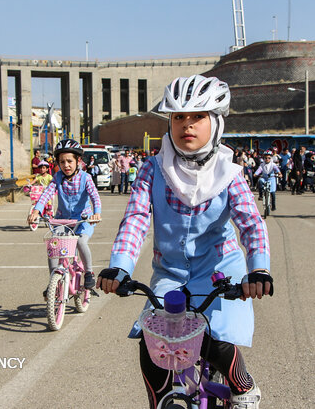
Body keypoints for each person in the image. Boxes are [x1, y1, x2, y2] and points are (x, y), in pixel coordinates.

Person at [97, 75, 272, 409]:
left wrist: (259, 269)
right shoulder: (153, 169)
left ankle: (244, 387)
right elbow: (135, 220)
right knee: (153, 342)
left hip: (220, 269)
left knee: (214, 338)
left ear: (216, 122)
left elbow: (251, 223)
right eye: (179, 117)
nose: (187, 125)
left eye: (198, 116)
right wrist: (118, 267)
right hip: (171, 272)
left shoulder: (229, 173)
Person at [28, 139, 102, 289]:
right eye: (62, 162)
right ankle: (53, 282)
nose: (66, 165)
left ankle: (89, 272)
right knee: (54, 244)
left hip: (83, 220)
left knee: (81, 242)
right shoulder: (57, 178)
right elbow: (46, 194)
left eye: (69, 161)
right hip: (62, 220)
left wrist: (97, 213)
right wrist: (36, 211)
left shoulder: (85, 178)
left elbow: (95, 197)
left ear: (78, 160)